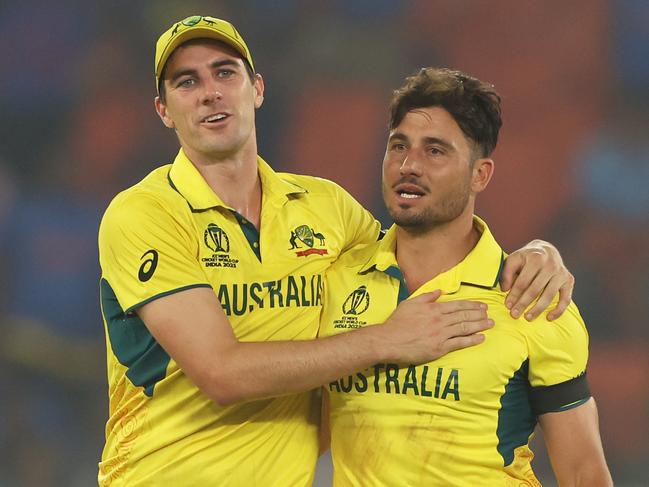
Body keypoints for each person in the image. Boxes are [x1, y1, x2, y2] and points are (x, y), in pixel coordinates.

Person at [97, 16, 575, 486]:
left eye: (225, 72)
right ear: (163, 111)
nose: (210, 92)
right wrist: (381, 340)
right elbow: (222, 374)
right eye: (186, 82)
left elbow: (427, 250)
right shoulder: (145, 215)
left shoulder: (327, 209)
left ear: (257, 89)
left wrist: (536, 252)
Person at [320, 67, 612, 486]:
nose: (408, 165)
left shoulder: (532, 298)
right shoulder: (337, 281)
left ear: (481, 174)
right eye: (398, 146)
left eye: (435, 151)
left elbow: (585, 474)